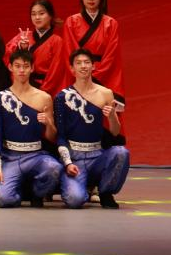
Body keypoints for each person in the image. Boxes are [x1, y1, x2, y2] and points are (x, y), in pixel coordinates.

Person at [54, 48, 129, 209]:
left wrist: (112, 116)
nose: (83, 66)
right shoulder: (63, 97)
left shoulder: (105, 93)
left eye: (87, 62)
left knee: (121, 152)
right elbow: (60, 136)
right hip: (74, 156)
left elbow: (115, 132)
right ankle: (80, 185)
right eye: (78, 63)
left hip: (97, 155)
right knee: (74, 200)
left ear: (93, 66)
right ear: (72, 68)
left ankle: (105, 192)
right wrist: (67, 163)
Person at [0, 50, 61, 208]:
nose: (21, 70)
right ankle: (19, 192)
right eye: (18, 66)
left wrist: (48, 123)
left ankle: (37, 194)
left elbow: (51, 137)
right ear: (10, 67)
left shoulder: (44, 98)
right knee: (1, 199)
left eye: (26, 66)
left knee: (54, 168)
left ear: (32, 68)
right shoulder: (1, 97)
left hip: (35, 155)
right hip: (10, 156)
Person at [60, 0, 124, 110]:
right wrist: (83, 72)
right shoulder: (71, 22)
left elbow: (112, 56)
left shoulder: (111, 24)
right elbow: (70, 52)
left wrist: (94, 76)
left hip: (104, 78)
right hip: (79, 76)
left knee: (106, 115)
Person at [5, 0, 71, 97]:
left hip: (44, 89)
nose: (37, 17)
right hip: (22, 86)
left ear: (50, 15)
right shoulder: (23, 36)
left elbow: (55, 73)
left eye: (41, 13)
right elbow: (8, 58)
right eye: (33, 14)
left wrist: (41, 93)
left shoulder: (57, 41)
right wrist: (21, 49)